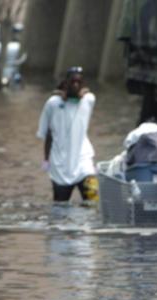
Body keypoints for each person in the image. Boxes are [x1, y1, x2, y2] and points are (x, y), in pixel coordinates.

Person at [36, 66, 99, 202]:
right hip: (60, 167)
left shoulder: (88, 100)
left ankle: (87, 223)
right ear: (66, 83)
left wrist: (78, 94)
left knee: (93, 201)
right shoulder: (53, 103)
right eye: (72, 82)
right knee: (60, 208)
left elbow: (86, 93)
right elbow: (48, 133)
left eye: (79, 82)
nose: (75, 85)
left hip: (84, 163)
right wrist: (46, 159)